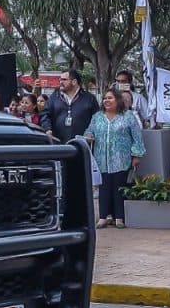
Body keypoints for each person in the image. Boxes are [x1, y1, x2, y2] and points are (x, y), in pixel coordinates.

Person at [89, 88, 146, 227]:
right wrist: (89, 136)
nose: (106, 101)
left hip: (121, 158)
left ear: (118, 100)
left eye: (110, 98)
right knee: (104, 188)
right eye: (105, 98)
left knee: (119, 187)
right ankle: (103, 217)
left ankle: (119, 218)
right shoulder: (97, 117)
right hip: (102, 159)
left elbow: (137, 137)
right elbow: (89, 130)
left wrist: (136, 155)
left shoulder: (128, 116)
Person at [46, 72, 99, 142]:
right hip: (58, 145)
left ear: (74, 82)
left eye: (64, 79)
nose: (61, 82)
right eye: (60, 80)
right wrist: (47, 128)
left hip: (81, 145)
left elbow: (97, 119)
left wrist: (91, 133)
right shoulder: (54, 97)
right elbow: (45, 114)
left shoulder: (89, 98)